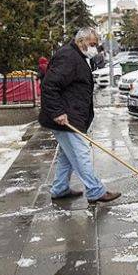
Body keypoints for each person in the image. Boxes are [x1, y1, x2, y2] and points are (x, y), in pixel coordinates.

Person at [38, 27, 120, 203]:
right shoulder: (68, 56)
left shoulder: (77, 56)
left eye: (96, 45)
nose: (94, 48)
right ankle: (95, 191)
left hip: (72, 115)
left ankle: (59, 189)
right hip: (66, 117)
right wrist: (58, 112)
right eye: (92, 44)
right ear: (81, 41)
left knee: (67, 156)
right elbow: (49, 85)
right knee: (81, 153)